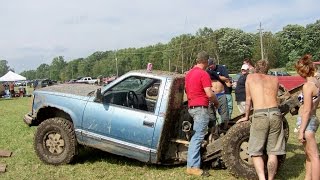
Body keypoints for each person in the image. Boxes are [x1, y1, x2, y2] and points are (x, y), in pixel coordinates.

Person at [237, 60, 285, 180]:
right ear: (268, 69)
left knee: (255, 151)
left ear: (256, 68)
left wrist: (246, 116)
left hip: (260, 114)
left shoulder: (250, 78)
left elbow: (248, 100)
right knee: (273, 152)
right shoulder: (274, 79)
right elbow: (276, 97)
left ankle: (262, 178)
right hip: (274, 113)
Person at [185, 51, 219, 177]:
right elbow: (209, 94)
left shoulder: (189, 74)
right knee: (198, 137)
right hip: (200, 108)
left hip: (192, 107)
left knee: (197, 135)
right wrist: (216, 103)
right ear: (205, 62)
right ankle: (192, 166)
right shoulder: (203, 74)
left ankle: (197, 161)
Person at [295, 54, 320, 180]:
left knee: (314, 156)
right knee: (309, 154)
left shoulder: (307, 86)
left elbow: (306, 110)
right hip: (313, 119)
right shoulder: (317, 82)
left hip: (307, 121)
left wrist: (301, 131)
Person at [207, 58, 229, 129]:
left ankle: (224, 129)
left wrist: (216, 75)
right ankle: (212, 130)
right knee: (211, 115)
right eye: (209, 65)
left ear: (214, 63)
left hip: (221, 94)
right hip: (212, 95)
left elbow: (226, 79)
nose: (210, 67)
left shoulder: (221, 68)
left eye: (211, 65)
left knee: (224, 114)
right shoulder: (207, 71)